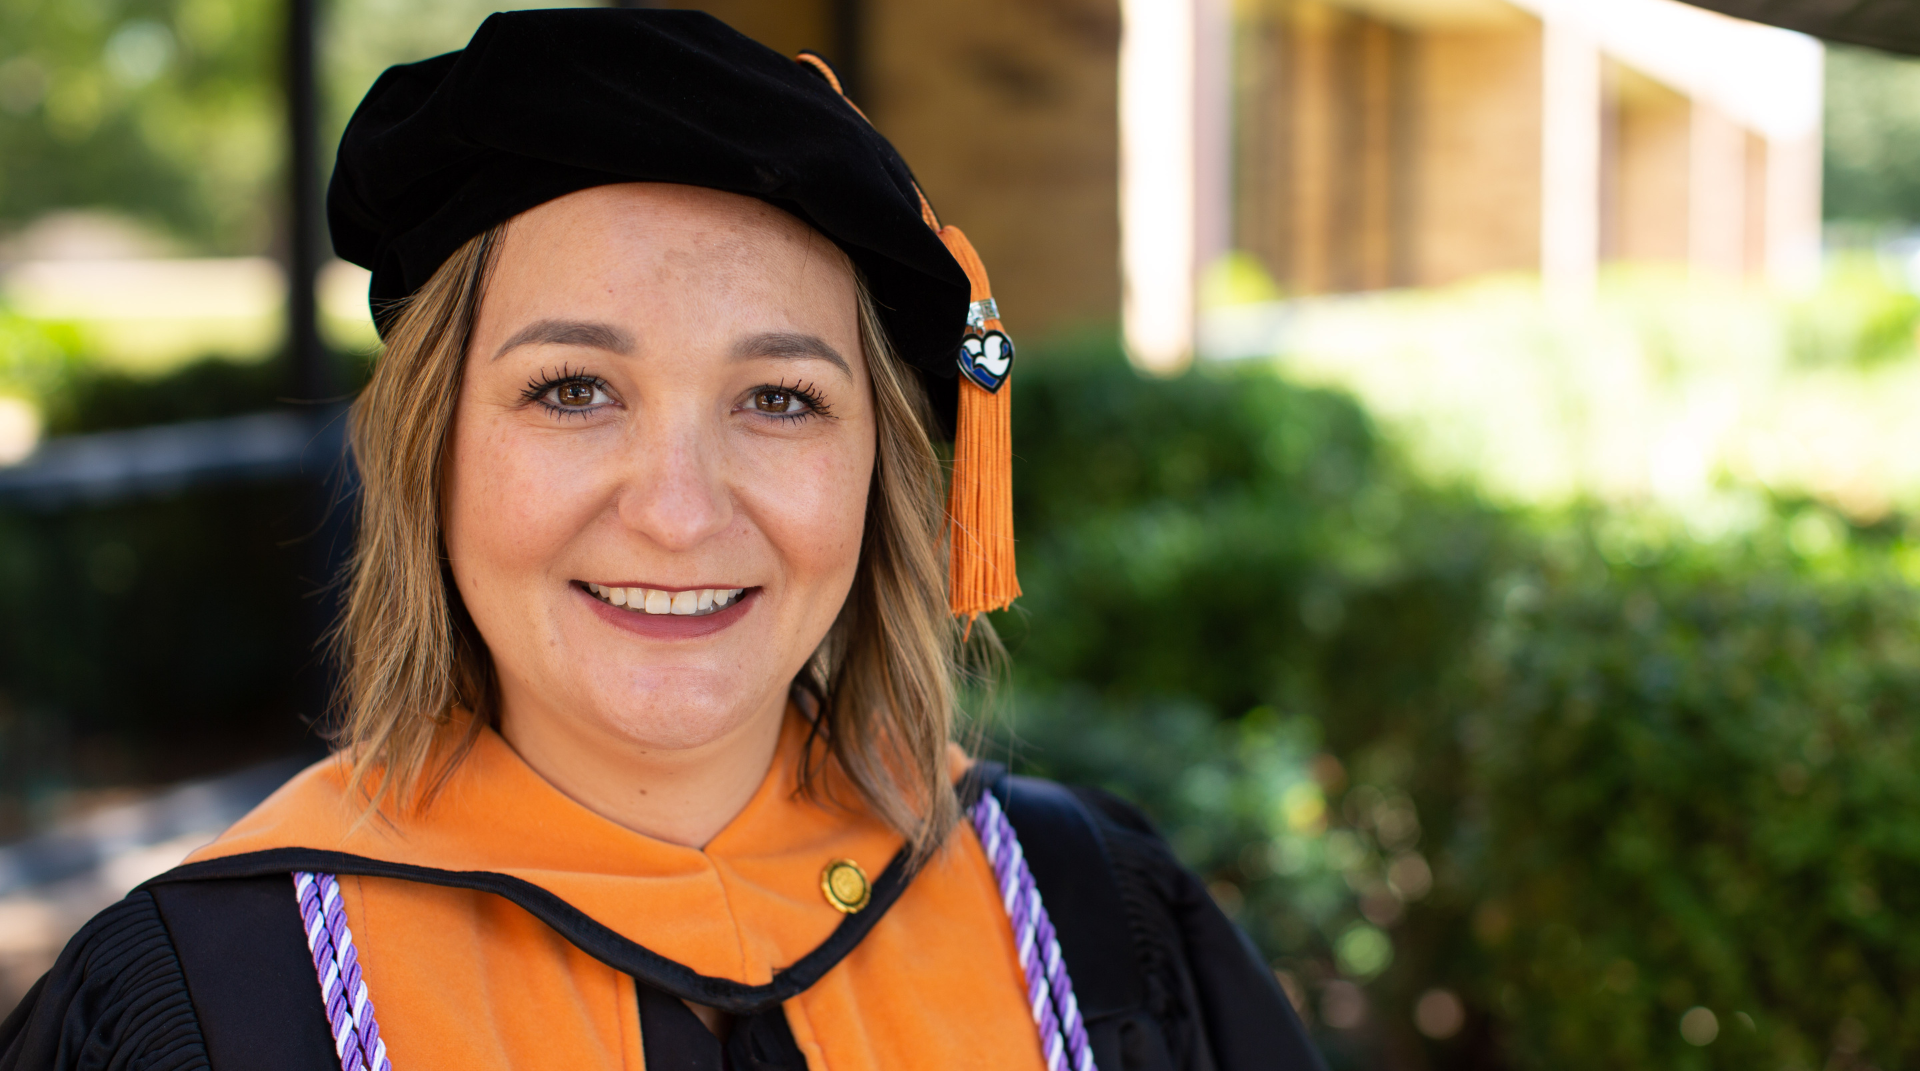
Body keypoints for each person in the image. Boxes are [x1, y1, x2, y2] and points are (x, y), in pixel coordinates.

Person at [0, 10, 1321, 1071]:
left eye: (782, 398)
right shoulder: (222, 995)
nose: (680, 509)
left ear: (880, 475)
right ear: (429, 450)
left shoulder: (1089, 924)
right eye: (574, 388)